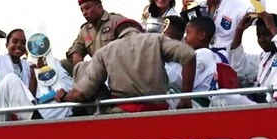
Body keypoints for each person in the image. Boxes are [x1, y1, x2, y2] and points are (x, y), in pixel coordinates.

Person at [62, 19, 197, 112]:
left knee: (83, 66)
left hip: (121, 114)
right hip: (159, 111)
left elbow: (80, 93)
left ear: (117, 35)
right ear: (140, 30)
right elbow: (189, 55)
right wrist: (186, 99)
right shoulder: (155, 39)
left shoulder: (105, 51)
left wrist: (63, 97)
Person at [226, 12, 277, 103]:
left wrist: (271, 26)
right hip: (262, 104)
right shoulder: (264, 56)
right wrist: (239, 30)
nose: (262, 40)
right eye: (259, 36)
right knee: (221, 96)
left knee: (221, 99)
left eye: (267, 34)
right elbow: (239, 65)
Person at [0, 57, 74, 125]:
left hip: (2, 120)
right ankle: (40, 126)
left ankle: (39, 125)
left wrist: (35, 77)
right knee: (11, 79)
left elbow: (26, 99)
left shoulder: (25, 70)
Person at [182, 0, 255, 61]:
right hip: (203, 60)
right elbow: (186, 31)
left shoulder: (234, 6)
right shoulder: (198, 8)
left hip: (228, 60)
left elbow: (256, 13)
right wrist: (185, 8)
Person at [65, 0, 127, 76]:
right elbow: (76, 46)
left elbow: (131, 44)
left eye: (87, 8)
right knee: (63, 64)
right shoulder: (85, 29)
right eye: (82, 10)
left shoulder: (116, 21)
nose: (84, 13)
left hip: (117, 69)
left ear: (99, 6)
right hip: (97, 71)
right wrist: (76, 53)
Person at [164, 16, 220, 108]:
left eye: (188, 33)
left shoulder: (204, 54)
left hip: (197, 105)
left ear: (201, 35)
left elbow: (180, 80)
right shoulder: (197, 54)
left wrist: (159, 63)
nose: (185, 37)